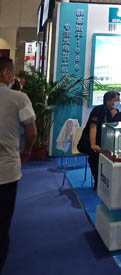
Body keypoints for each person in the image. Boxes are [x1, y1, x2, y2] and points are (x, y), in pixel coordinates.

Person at [0, 57, 37, 273]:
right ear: (6, 73)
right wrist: (27, 150)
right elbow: (31, 131)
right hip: (6, 172)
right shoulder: (18, 98)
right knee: (2, 223)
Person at [77, 90, 120, 190]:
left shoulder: (115, 111)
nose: (118, 102)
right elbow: (93, 127)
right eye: (116, 100)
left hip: (104, 142)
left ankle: (108, 181)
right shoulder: (98, 110)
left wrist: (114, 116)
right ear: (109, 101)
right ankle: (98, 181)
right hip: (89, 141)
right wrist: (93, 144)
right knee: (94, 156)